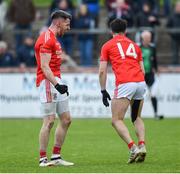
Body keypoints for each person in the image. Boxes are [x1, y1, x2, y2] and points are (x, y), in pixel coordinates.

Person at [99, 18, 147, 164]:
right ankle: (142, 145)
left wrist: (103, 90)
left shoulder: (107, 45)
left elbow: (102, 71)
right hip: (140, 82)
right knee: (136, 117)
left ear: (110, 31)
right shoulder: (135, 46)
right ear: (125, 31)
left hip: (125, 83)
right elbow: (143, 70)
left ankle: (133, 148)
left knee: (116, 120)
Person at [34, 10, 74, 167]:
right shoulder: (46, 38)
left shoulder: (55, 39)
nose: (68, 28)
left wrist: (59, 82)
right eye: (67, 24)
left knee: (66, 119)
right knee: (49, 121)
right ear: (58, 22)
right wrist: (57, 84)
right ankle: (43, 159)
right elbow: (44, 66)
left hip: (56, 80)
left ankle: (56, 156)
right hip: (47, 82)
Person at [139, 30, 164, 120]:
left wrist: (157, 70)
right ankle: (136, 115)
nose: (148, 39)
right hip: (140, 75)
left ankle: (156, 113)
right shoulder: (138, 48)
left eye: (149, 38)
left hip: (150, 74)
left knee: (153, 94)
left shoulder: (152, 48)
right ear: (143, 38)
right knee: (139, 95)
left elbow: (155, 60)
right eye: (146, 38)